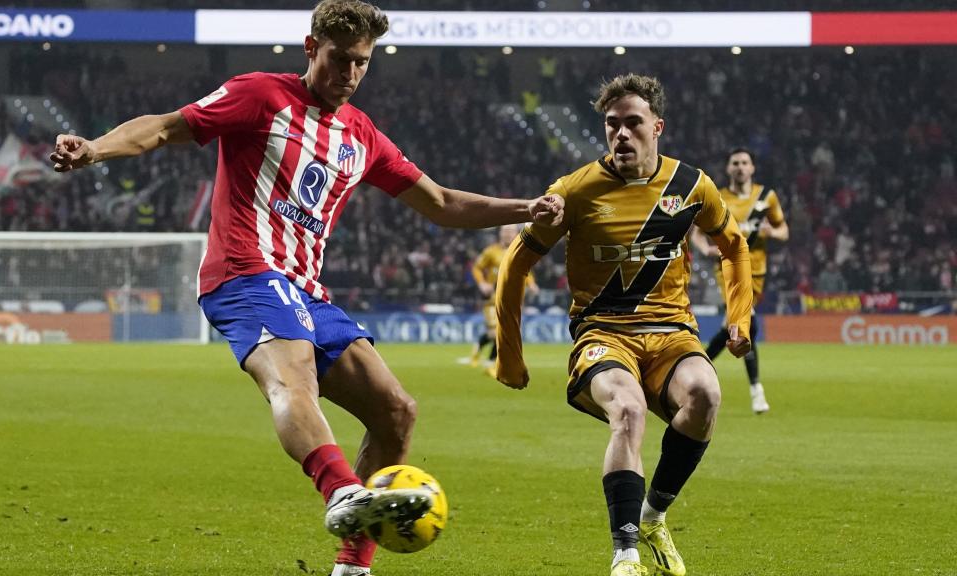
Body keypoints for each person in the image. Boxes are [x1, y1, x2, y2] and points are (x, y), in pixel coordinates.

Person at [49, 2, 563, 575]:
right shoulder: (260, 95)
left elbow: (441, 203)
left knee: (396, 411)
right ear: (310, 47)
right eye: (340, 59)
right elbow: (169, 127)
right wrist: (95, 148)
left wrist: (528, 209)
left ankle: (353, 565)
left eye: (361, 63)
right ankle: (342, 491)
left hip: (307, 290)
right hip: (243, 273)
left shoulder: (361, 135)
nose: (349, 73)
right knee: (292, 378)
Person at [493, 74, 752, 576]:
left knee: (706, 394)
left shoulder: (692, 186)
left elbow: (734, 247)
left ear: (657, 126)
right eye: (612, 125)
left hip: (671, 333)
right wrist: (510, 354)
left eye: (633, 123)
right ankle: (626, 555)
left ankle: (653, 517)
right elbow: (514, 264)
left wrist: (738, 316)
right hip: (603, 334)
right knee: (628, 411)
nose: (622, 134)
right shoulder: (574, 191)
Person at [690, 148, 788, 414]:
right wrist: (704, 248)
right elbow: (696, 234)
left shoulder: (766, 197)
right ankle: (757, 391)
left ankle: (696, 367)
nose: (740, 167)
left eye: (745, 163)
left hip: (757, 272)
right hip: (729, 270)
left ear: (752, 168)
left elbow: (783, 230)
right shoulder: (718, 197)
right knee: (747, 321)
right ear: (728, 168)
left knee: (734, 327)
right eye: (735, 163)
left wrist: (771, 231)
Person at [465, 224, 539, 371]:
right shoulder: (491, 251)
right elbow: (477, 268)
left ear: (517, 233)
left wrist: (532, 284)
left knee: (502, 332)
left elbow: (526, 271)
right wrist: (482, 283)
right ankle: (493, 363)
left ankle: (481, 354)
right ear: (500, 234)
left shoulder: (521, 251)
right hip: (493, 299)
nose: (507, 234)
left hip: (513, 299)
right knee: (496, 332)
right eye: (505, 231)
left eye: (510, 231)